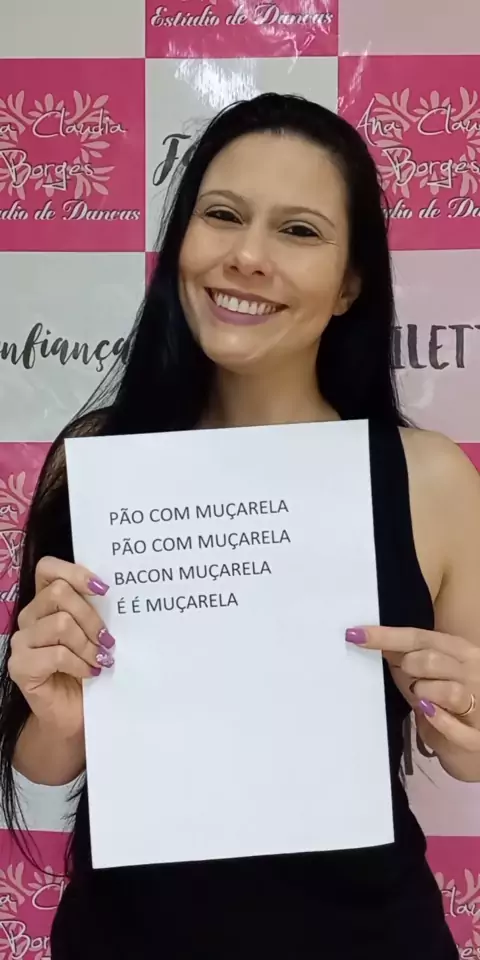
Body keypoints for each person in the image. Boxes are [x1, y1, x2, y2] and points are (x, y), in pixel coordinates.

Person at [0, 93, 478, 959]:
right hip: (129, 940)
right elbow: (43, 766)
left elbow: (470, 755)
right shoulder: (99, 461)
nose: (248, 256)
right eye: (221, 215)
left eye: (298, 231)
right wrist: (56, 713)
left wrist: (466, 715)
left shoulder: (431, 478)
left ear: (351, 283)